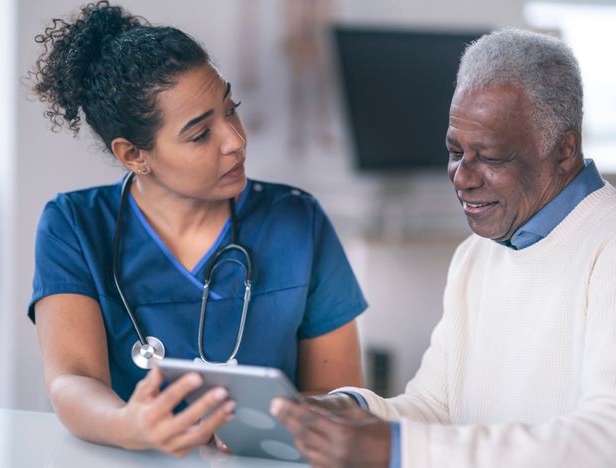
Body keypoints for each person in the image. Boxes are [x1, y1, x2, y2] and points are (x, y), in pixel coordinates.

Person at [271, 28, 616, 468]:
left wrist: (400, 450)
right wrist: (350, 410)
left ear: (564, 151)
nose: (462, 176)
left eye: (490, 156)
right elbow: (436, 408)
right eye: (454, 150)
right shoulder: (477, 255)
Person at [28, 1, 366, 457]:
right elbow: (72, 380)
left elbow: (342, 396)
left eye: (231, 110)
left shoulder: (298, 221)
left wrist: (264, 424)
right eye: (199, 134)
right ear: (133, 155)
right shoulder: (74, 225)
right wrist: (127, 425)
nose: (236, 141)